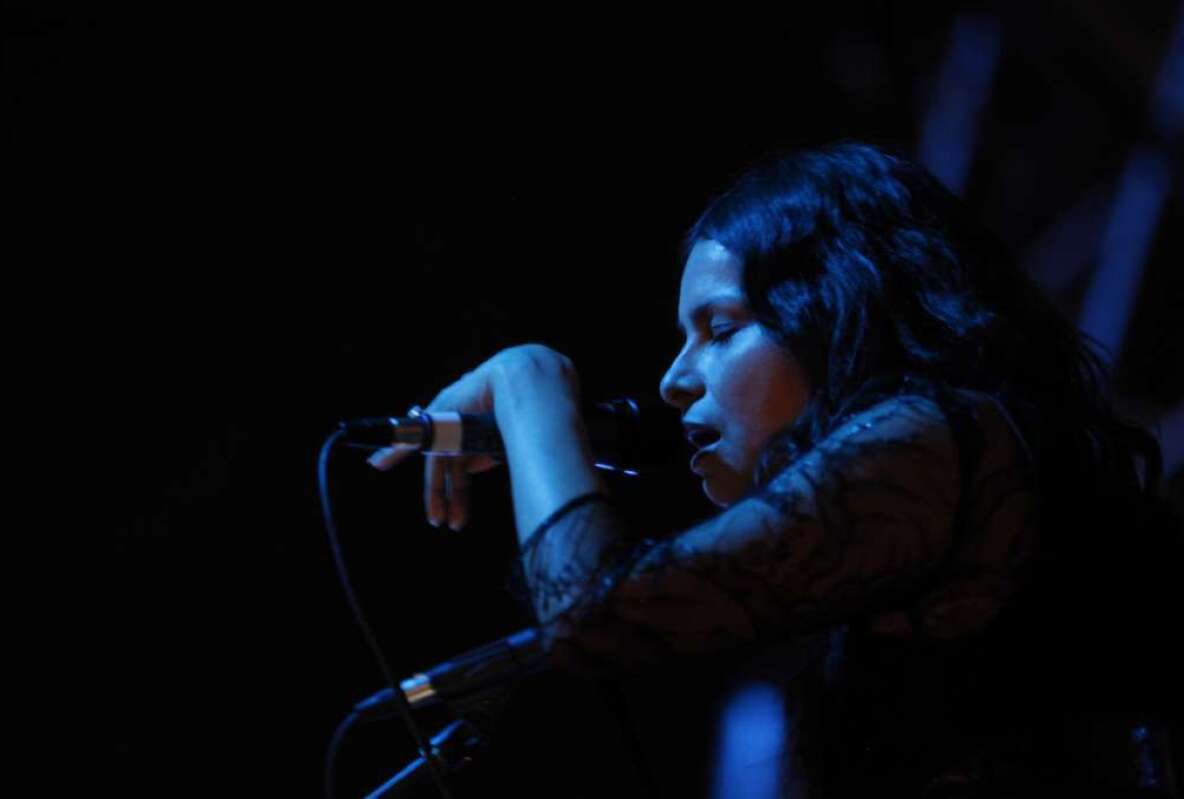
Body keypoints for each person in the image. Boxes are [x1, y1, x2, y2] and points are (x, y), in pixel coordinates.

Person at [370, 142, 1181, 797]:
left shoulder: (938, 436)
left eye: (719, 328)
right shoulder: (915, 485)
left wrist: (529, 386)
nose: (672, 379)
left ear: (832, 310)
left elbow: (591, 615)